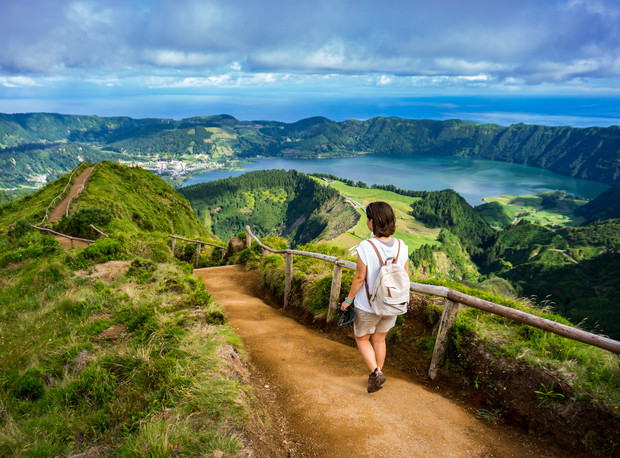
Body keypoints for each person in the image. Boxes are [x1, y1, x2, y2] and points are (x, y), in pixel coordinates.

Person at [340, 201, 409, 393]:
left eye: (367, 218)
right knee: (379, 339)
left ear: (372, 222)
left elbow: (360, 277)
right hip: (392, 304)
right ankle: (377, 373)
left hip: (368, 305)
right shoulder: (402, 246)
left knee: (362, 338)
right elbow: (405, 276)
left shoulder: (366, 247)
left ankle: (376, 373)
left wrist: (348, 300)